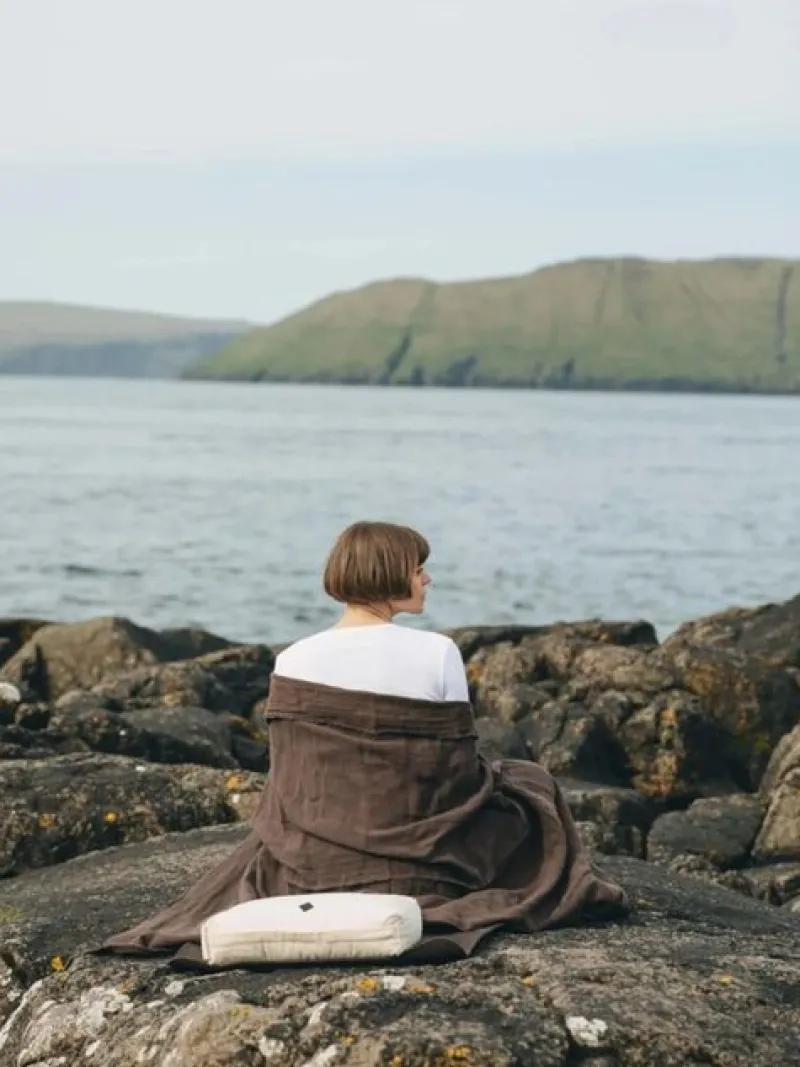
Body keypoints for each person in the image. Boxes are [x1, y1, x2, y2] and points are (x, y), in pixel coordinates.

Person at [101, 520, 627, 964]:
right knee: (531, 784)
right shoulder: (438, 653)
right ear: (389, 575)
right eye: (418, 568)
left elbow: (292, 781)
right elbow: (456, 772)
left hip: (314, 860)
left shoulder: (293, 659)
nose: (428, 579)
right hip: (428, 860)